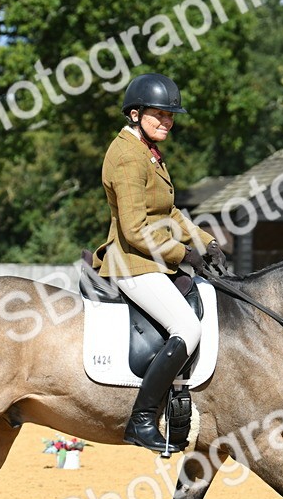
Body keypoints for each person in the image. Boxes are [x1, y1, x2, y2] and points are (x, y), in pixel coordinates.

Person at [91, 73, 227, 452]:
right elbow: (135, 230)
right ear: (135, 114)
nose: (167, 121)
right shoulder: (125, 155)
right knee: (187, 326)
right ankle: (142, 419)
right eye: (159, 115)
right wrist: (185, 255)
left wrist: (206, 242)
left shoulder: (148, 152)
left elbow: (169, 213)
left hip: (152, 260)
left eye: (170, 116)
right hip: (131, 262)